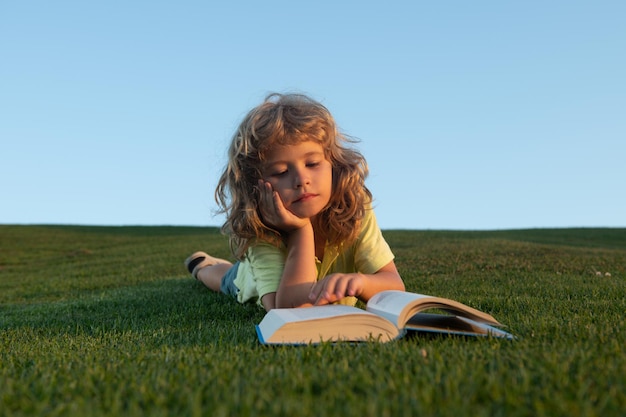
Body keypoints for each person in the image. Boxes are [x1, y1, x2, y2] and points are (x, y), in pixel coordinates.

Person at [185, 93, 405, 311]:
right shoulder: (262, 230)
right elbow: (289, 309)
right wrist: (301, 230)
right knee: (226, 279)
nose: (301, 180)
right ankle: (202, 265)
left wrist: (363, 283)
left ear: (334, 164)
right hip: (248, 280)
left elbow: (394, 286)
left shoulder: (355, 209)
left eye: (312, 163)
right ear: (256, 187)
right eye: (280, 172)